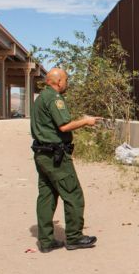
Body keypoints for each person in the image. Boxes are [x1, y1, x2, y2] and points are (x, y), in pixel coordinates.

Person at [30, 68, 102, 252]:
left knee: (47, 196)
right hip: (56, 157)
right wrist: (86, 121)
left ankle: (46, 242)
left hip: (42, 154)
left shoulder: (40, 98)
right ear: (59, 81)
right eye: (66, 79)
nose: (67, 83)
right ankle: (74, 237)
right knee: (73, 194)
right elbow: (64, 126)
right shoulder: (54, 98)